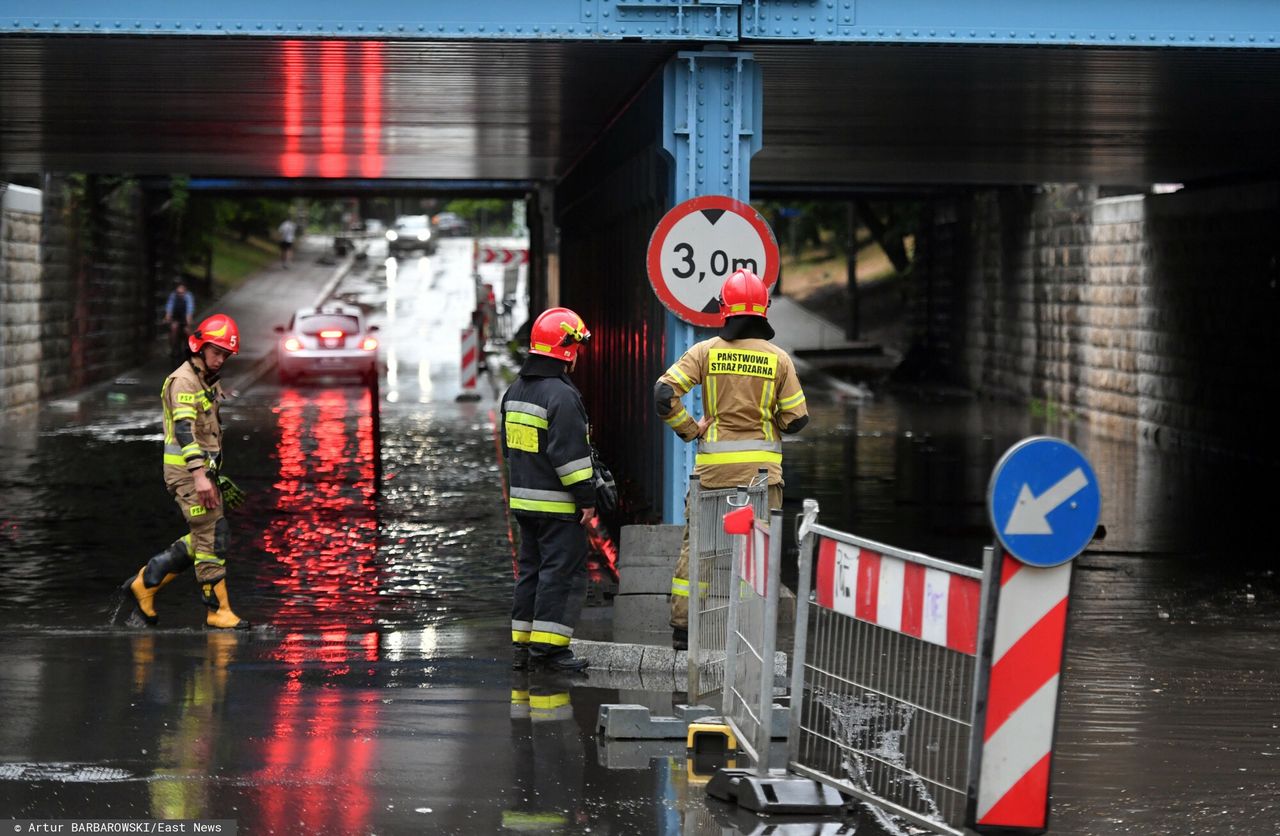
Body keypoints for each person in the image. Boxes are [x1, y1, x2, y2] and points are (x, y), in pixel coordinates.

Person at [654, 269, 809, 650]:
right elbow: (797, 420)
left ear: (725, 310)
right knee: (756, 553)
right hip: (761, 479)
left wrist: (691, 429)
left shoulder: (704, 353)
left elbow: (662, 394)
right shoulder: (778, 360)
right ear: (763, 311)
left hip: (712, 475)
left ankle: (683, 630)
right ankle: (749, 631)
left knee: (699, 551)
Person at [123, 313, 250, 630]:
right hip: (188, 474)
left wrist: (210, 474)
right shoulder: (184, 382)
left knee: (203, 536)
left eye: (225, 354)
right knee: (212, 537)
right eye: (216, 351)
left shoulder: (205, 379)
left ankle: (147, 583)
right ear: (201, 346)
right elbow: (184, 431)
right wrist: (198, 475)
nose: (220, 359)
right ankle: (217, 611)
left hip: (202, 474)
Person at [502, 307, 597, 673]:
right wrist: (587, 499)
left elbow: (510, 449)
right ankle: (550, 651)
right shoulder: (562, 396)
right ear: (566, 349)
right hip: (559, 507)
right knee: (561, 574)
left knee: (531, 571)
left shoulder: (516, 390)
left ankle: (523, 647)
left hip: (525, 503)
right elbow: (569, 457)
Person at [163, 282, 196, 360]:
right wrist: (167, 316)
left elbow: (190, 309)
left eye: (182, 293)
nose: (180, 294)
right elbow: (169, 307)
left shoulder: (188, 296)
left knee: (187, 332)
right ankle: (172, 347)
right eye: (178, 293)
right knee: (173, 329)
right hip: (176, 318)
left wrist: (188, 320)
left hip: (184, 318)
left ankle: (190, 348)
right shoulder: (173, 296)